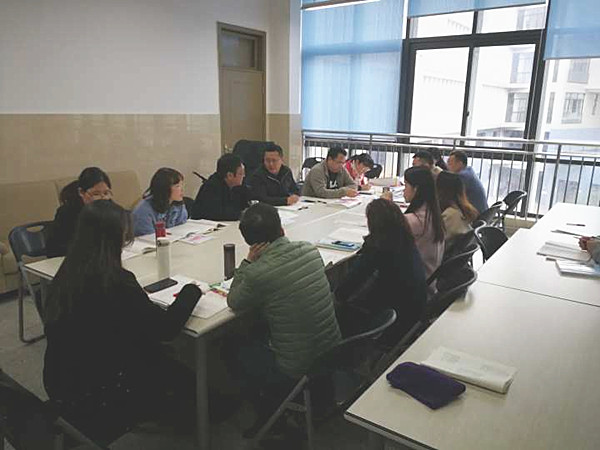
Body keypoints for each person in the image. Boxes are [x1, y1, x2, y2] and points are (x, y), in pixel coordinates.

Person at [43, 200, 202, 442]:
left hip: (61, 380)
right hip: (103, 389)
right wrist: (192, 290)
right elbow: (166, 329)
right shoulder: (115, 280)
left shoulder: (68, 272)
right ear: (115, 239)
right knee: (175, 364)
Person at [227, 203, 341, 431]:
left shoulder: (257, 273)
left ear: (251, 243)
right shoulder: (310, 250)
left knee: (230, 345)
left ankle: (270, 413)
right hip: (333, 350)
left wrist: (247, 262)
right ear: (281, 229)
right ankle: (315, 396)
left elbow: (234, 301)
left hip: (295, 367)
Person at [335, 198, 427, 340]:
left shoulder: (379, 247)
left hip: (393, 319)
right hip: (414, 314)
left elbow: (346, 287)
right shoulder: (405, 240)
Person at [46, 167, 112, 258]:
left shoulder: (110, 207)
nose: (102, 198)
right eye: (96, 194)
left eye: (106, 193)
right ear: (81, 192)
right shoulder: (67, 213)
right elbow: (54, 249)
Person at [398, 167, 445, 279]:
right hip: (429, 275)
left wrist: (385, 206)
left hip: (416, 281)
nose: (403, 190)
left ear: (416, 189)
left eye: (406, 185)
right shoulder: (431, 211)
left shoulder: (415, 220)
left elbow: (385, 232)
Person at [191, 153, 252, 221]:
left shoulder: (238, 187)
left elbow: (245, 205)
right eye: (241, 173)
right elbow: (216, 213)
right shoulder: (211, 187)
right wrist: (240, 214)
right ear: (230, 175)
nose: (244, 176)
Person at [132, 168, 188, 237]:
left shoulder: (178, 204)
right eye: (177, 186)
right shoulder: (143, 211)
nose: (182, 189)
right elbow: (148, 238)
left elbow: (182, 228)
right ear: (164, 189)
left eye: (182, 185)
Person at [436, 171, 479, 247]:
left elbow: (434, 241)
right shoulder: (463, 210)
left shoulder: (449, 215)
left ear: (440, 190)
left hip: (444, 252)